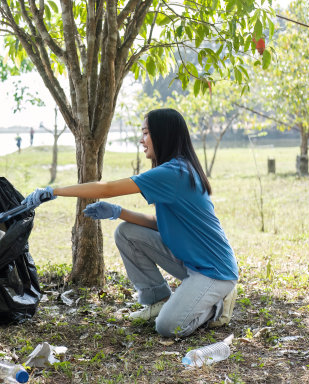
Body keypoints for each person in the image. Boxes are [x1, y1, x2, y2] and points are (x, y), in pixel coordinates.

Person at [22, 108, 239, 338]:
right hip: (192, 261)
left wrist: (53, 191)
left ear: (163, 135)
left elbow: (106, 189)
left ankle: (217, 306)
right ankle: (158, 300)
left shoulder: (173, 172)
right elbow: (160, 223)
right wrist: (119, 212)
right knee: (126, 232)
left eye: (146, 133)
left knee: (168, 327)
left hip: (214, 270)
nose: (141, 140)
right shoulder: (177, 168)